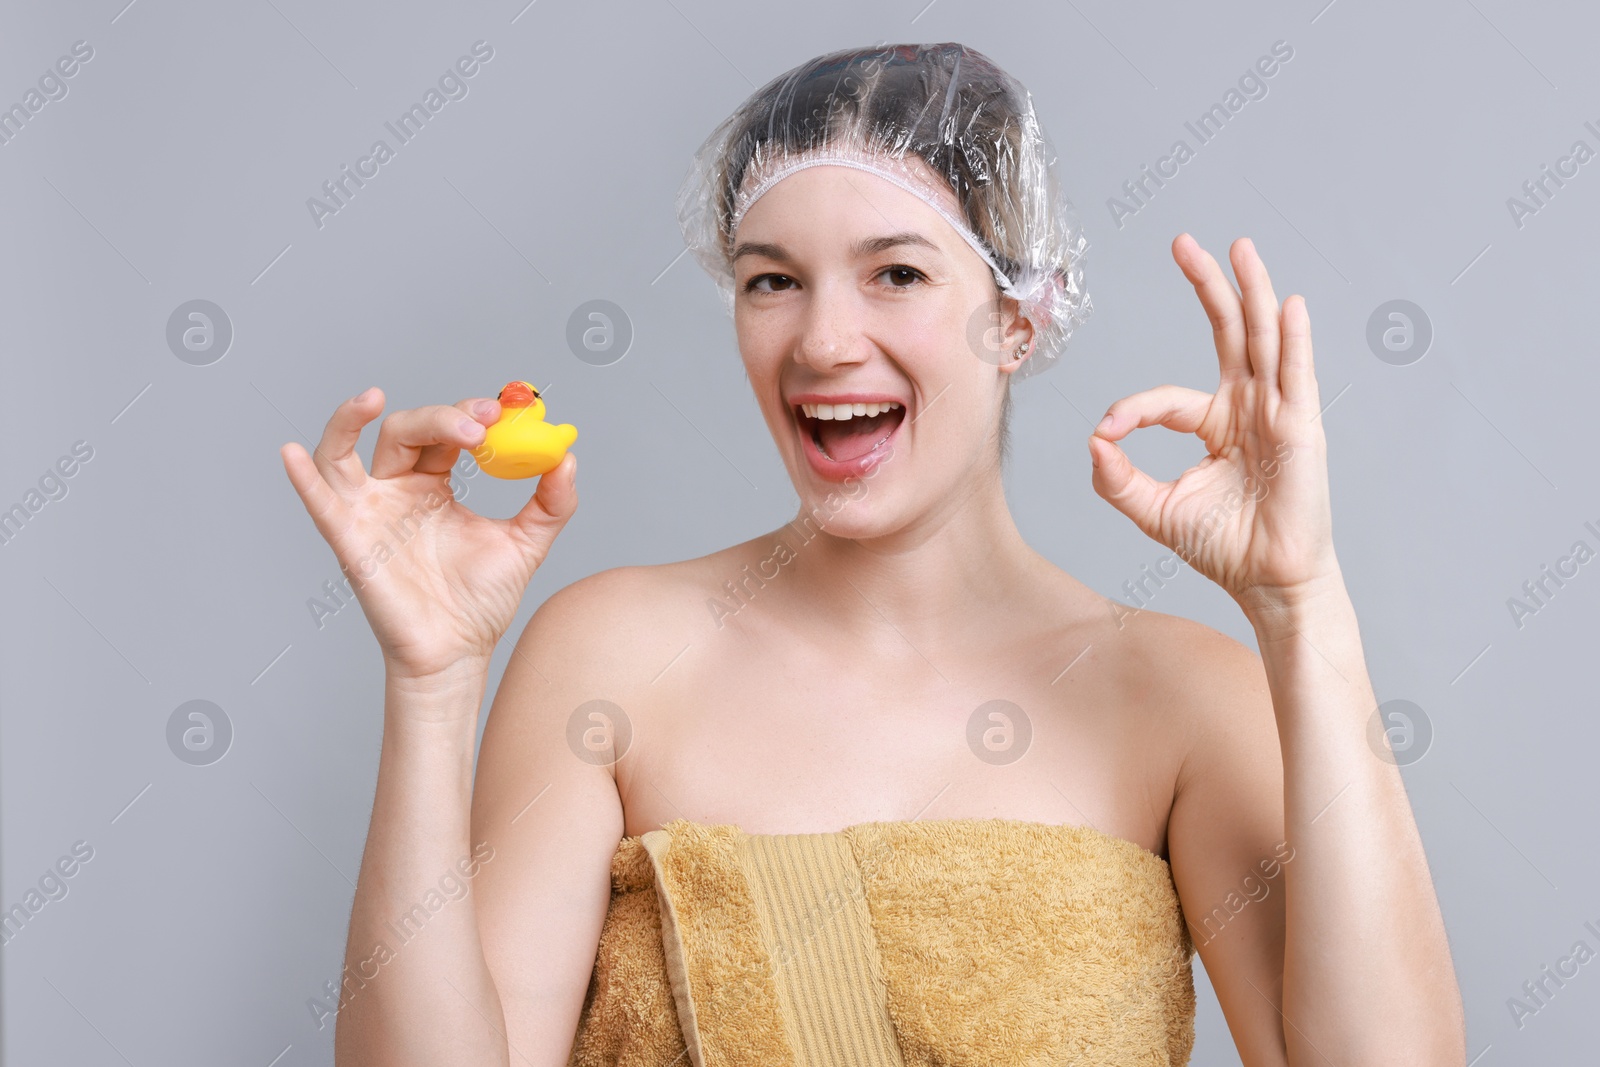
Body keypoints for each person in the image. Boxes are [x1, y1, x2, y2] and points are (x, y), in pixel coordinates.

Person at [282, 42, 1464, 1067]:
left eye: (895, 272)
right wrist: (432, 684)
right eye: (771, 282)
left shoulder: (1178, 693)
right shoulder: (612, 654)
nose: (822, 339)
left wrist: (1303, 608)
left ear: (1017, 313)